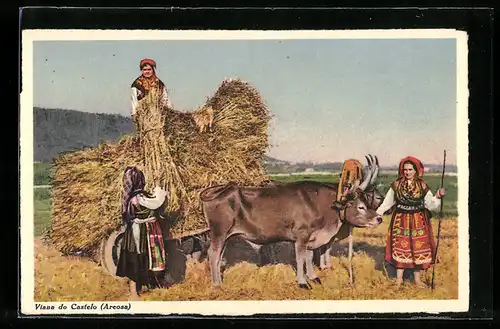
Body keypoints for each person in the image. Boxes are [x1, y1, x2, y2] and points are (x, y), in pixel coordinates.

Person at [375, 156, 446, 288]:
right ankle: (398, 280)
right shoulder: (396, 185)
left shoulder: (422, 186)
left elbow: (431, 205)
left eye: (410, 170)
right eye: (405, 169)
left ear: (416, 171)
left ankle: (417, 280)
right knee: (401, 247)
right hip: (400, 220)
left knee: (417, 248)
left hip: (418, 220)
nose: (407, 172)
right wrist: (378, 213)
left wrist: (437, 196)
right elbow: (388, 202)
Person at [116, 166, 168, 300]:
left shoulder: (134, 198)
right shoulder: (138, 199)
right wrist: (159, 187)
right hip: (140, 232)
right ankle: (134, 292)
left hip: (141, 231)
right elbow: (156, 202)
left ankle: (146, 286)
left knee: (142, 258)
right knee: (137, 258)